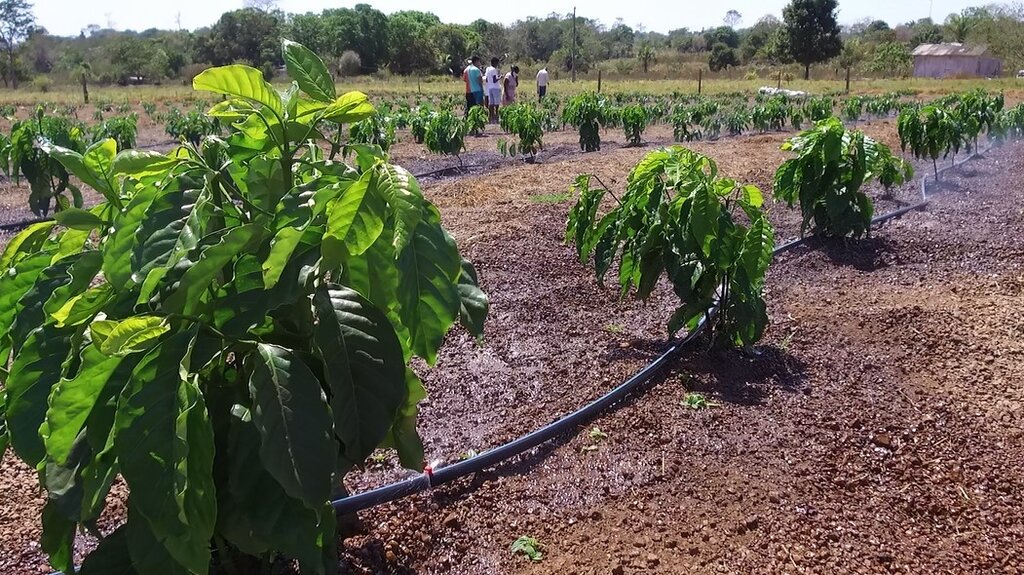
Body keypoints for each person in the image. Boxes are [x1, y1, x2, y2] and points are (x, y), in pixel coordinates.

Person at [485, 57, 501, 123]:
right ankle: (496, 117)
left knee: (491, 104)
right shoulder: (494, 69)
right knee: (496, 104)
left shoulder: (487, 69)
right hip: (495, 88)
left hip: (490, 88)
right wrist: (500, 77)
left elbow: (486, 79)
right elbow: (495, 80)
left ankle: (490, 117)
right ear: (494, 63)